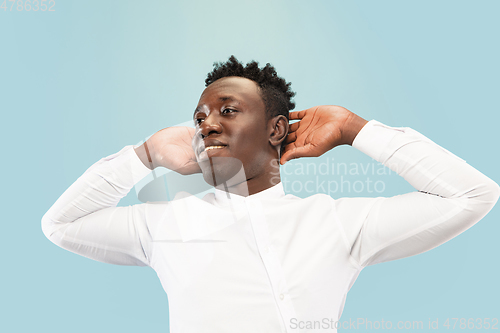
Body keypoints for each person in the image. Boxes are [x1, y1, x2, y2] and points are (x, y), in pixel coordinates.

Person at [42, 55, 500, 333]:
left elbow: (472, 195)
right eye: (199, 118)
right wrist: (141, 155)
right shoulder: (165, 224)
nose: (207, 124)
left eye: (228, 110)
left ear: (276, 129)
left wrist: (355, 130)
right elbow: (61, 225)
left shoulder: (337, 223)